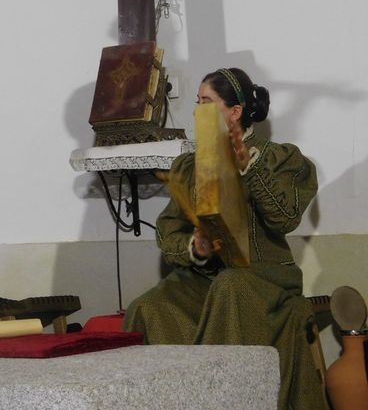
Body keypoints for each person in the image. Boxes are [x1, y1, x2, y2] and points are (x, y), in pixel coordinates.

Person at [123, 68, 325, 409]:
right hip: (209, 277)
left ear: (235, 112)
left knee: (231, 286)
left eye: (207, 102)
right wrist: (196, 248)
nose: (198, 110)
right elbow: (168, 229)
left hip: (265, 276)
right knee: (149, 307)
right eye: (197, 102)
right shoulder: (191, 165)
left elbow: (285, 218)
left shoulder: (277, 157)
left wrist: (251, 169)